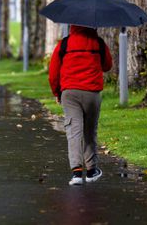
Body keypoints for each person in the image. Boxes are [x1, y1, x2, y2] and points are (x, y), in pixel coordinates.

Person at [48, 25, 113, 186]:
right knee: (90, 131)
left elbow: (53, 72)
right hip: (92, 92)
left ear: (72, 26)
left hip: (70, 93)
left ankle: (76, 173)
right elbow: (107, 66)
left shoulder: (64, 44)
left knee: (73, 131)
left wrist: (57, 92)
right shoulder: (98, 43)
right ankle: (91, 170)